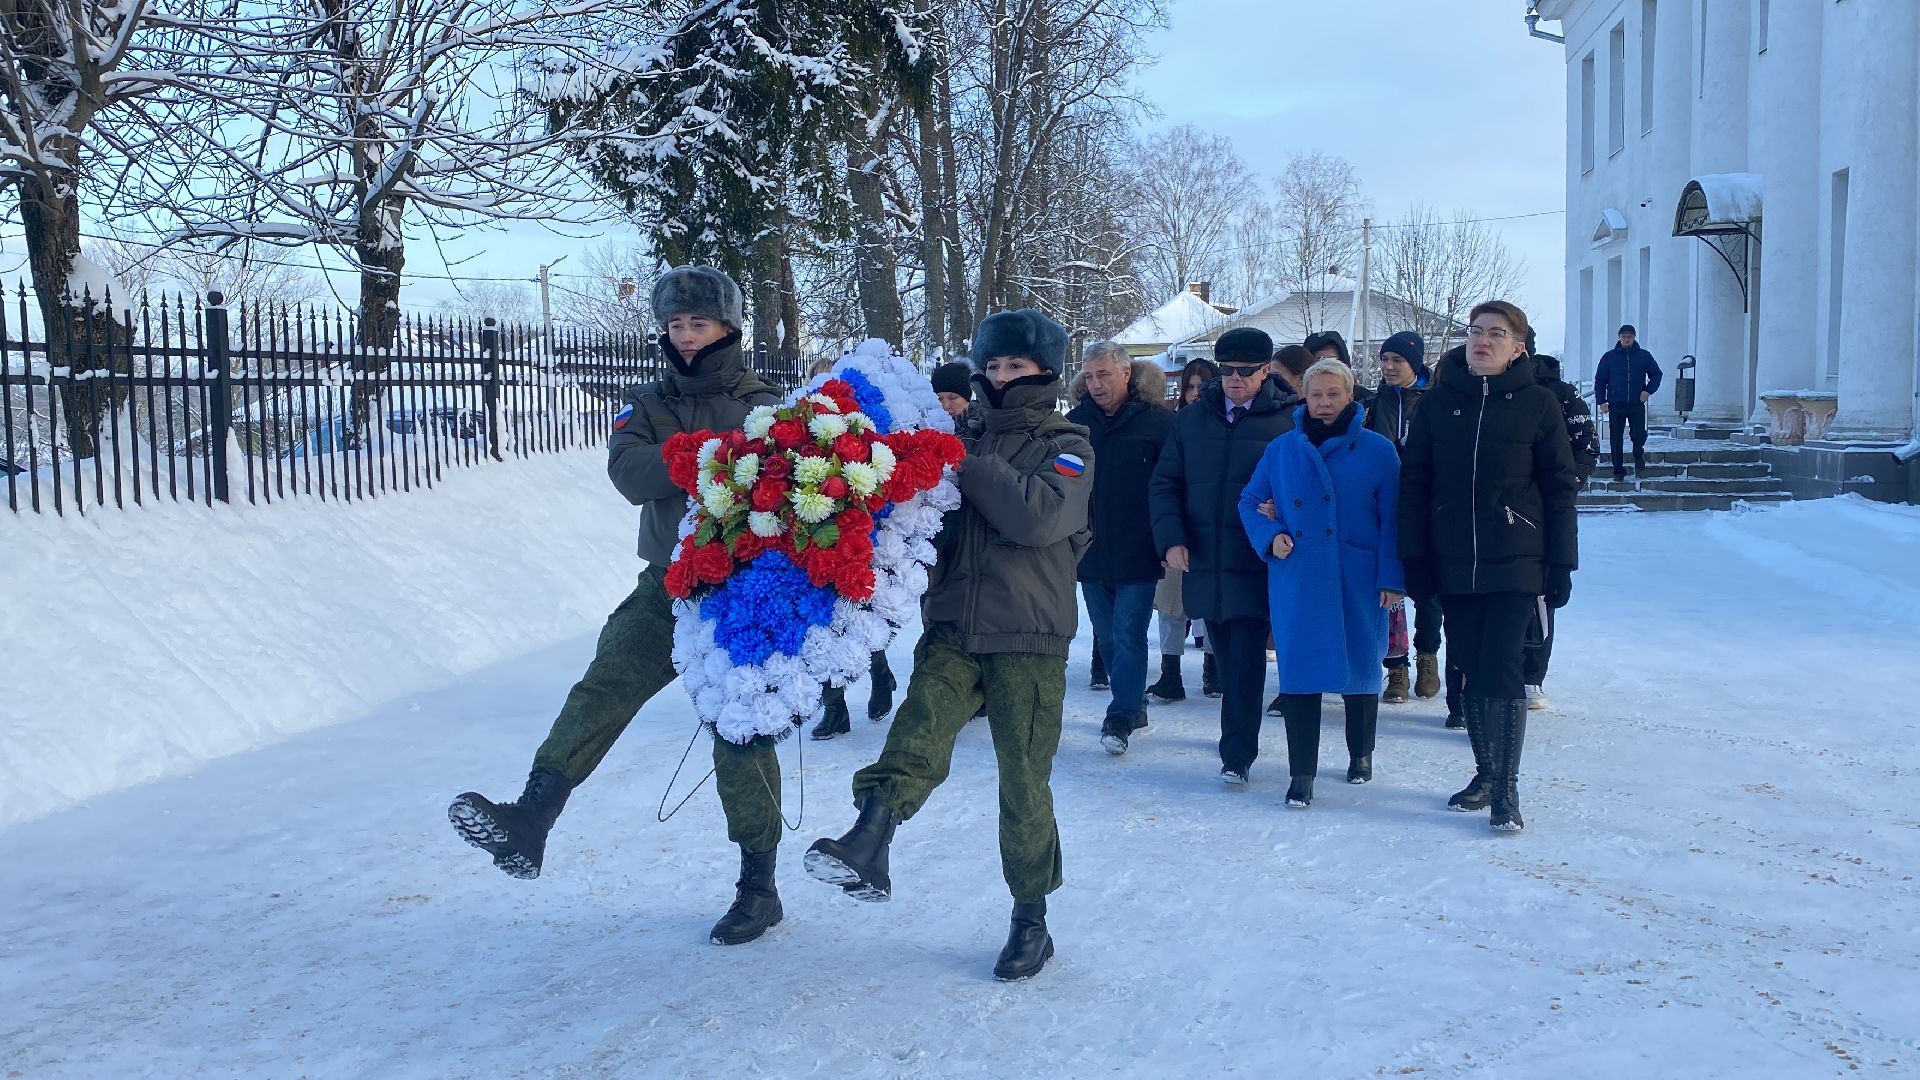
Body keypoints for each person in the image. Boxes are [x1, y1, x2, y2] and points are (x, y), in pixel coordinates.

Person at [447, 266, 792, 945]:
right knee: (605, 683)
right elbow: (629, 474)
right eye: (676, 324)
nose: (687, 336)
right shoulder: (646, 399)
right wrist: (713, 457)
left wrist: (717, 461)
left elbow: (783, 480)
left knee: (739, 733)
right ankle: (532, 818)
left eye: (700, 323)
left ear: (728, 327)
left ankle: (759, 885)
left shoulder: (767, 403)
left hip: (743, 594)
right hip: (668, 581)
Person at [804, 309, 1092, 982]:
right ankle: (869, 842)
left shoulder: (1069, 444)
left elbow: (1038, 517)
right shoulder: (955, 437)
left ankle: (1030, 919)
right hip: (954, 627)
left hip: (1029, 634)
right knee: (916, 734)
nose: (999, 377)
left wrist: (969, 459)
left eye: (1015, 366)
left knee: (1024, 780)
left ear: (1046, 371)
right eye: (991, 366)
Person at [1399, 301, 1577, 833]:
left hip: (1517, 557)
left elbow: (1559, 488)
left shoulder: (1539, 404)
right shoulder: (1436, 403)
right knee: (1470, 666)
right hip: (1452, 559)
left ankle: (1506, 791)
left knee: (1502, 666)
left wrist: (1561, 563)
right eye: (1476, 332)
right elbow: (1414, 485)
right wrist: (1414, 557)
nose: (1483, 341)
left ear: (1518, 346)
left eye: (1496, 333)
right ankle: (1485, 772)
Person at [1241, 359, 1404, 805]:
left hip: (1358, 575)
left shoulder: (1378, 450)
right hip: (1299, 576)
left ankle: (1361, 753)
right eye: (1316, 394)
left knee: (1361, 669)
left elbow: (1394, 519)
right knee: (1299, 674)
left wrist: (1392, 577)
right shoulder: (1282, 449)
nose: (1325, 403)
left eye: (1334, 394)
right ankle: (1302, 775)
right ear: (1305, 398)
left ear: (1350, 396)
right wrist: (1270, 535)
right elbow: (1251, 500)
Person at [1149, 327, 1296, 786]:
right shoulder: (1193, 419)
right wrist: (1171, 538)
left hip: (1258, 559)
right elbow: (1165, 484)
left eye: (1246, 371)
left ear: (1265, 371)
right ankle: (1236, 744)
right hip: (1205, 559)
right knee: (1226, 654)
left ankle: (1237, 753)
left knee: (1247, 660)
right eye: (1227, 370)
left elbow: (1310, 487)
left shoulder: (1289, 419)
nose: (1235, 378)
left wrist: (1283, 514)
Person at [1068, 341, 1175, 754]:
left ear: (1126, 374)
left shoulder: (1157, 424)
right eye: (1089, 375)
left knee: (1129, 633)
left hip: (1139, 546)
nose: (1095, 384)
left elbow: (1172, 486)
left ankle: (1121, 714)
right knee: (1107, 635)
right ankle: (1134, 704)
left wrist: (1170, 537)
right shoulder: (1074, 425)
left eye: (1104, 375)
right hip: (1089, 549)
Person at [811, 356, 898, 739]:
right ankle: (835, 709)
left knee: (854, 619)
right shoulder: (794, 429)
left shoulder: (859, 430)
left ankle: (880, 674)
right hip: (809, 539)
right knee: (821, 625)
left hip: (854, 535)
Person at [1362, 330, 1441, 706]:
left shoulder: (1434, 401)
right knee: (1390, 588)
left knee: (1427, 590)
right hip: (1383, 505)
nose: (1389, 367)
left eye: (1398, 361)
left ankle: (1428, 656)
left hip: (1425, 505)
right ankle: (1397, 667)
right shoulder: (1372, 405)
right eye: (1385, 359)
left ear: (1416, 363)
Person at [1521, 354, 1598, 711]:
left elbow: (1587, 444)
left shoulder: (1563, 395)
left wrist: (1568, 483)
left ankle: (1532, 677)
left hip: (1547, 510)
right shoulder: (1491, 391)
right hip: (1501, 511)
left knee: (1541, 599)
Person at [1148, 358, 1223, 702]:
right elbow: (1164, 480)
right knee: (1170, 603)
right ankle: (1170, 672)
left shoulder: (1225, 424)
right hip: (1177, 524)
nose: (1194, 394)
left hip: (1213, 528)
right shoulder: (1173, 424)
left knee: (1208, 601)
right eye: (1189, 387)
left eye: (1201, 386)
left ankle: (1213, 667)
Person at [1593, 324, 1662, 481]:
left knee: (1638, 435)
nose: (1626, 339)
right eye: (1623, 336)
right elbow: (1600, 381)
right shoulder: (1609, 357)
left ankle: (1639, 460)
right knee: (1615, 438)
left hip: (1636, 404)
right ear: (1619, 337)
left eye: (1629, 337)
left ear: (1634, 338)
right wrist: (1601, 401)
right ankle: (1618, 471)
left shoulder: (1644, 356)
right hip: (1616, 405)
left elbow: (1656, 374)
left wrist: (1648, 391)